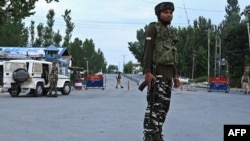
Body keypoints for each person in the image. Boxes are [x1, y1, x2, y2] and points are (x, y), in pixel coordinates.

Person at [142, 2, 179, 141]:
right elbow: (148, 51)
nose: (169, 15)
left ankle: (157, 134)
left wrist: (175, 75)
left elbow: (172, 56)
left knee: (164, 108)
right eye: (165, 12)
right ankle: (149, 136)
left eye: (170, 13)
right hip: (156, 74)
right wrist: (147, 71)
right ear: (159, 14)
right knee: (154, 107)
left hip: (168, 75)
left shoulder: (170, 33)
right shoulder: (153, 29)